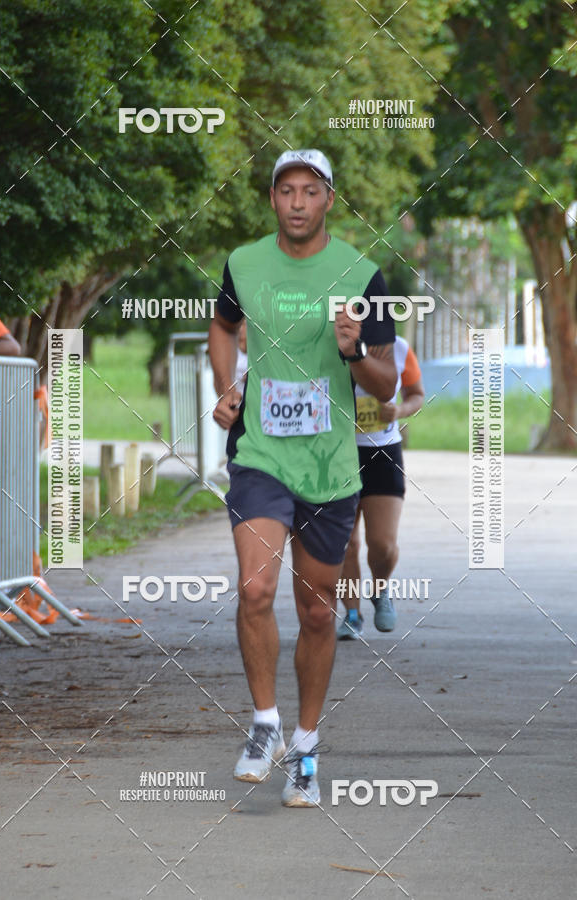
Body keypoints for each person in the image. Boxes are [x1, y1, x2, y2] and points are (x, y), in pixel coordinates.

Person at [209, 148, 397, 807]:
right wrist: (226, 384)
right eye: (286, 190)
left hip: (330, 466)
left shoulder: (361, 274)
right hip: (260, 453)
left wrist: (353, 351)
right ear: (272, 199)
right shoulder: (244, 263)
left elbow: (386, 381)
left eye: (310, 191)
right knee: (255, 588)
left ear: (329, 201)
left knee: (318, 612)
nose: (297, 202)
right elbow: (222, 326)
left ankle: (306, 750)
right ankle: (264, 724)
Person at [337, 335, 425, 639]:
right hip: (337, 454)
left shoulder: (398, 347)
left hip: (383, 452)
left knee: (383, 545)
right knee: (346, 543)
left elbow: (417, 394)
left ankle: (380, 589)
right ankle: (352, 614)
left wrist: (399, 411)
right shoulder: (328, 344)